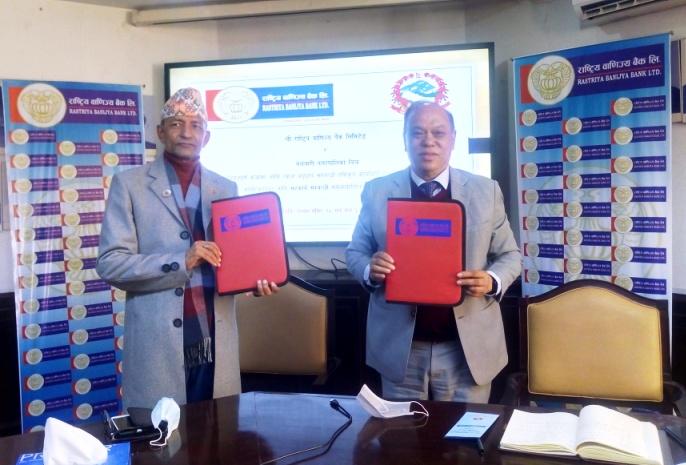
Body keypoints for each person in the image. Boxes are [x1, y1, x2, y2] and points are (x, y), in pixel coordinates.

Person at [96, 87, 279, 410]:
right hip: (157, 344)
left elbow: (232, 258)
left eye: (196, 125)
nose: (186, 133)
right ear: (160, 132)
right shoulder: (129, 184)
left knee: (217, 431)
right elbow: (111, 263)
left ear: (206, 137)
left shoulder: (226, 187)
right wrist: (181, 260)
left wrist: (250, 279)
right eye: (176, 124)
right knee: (161, 437)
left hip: (215, 338)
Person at [345, 100, 522, 403]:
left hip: (468, 349)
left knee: (465, 434)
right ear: (405, 140)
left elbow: (511, 256)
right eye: (417, 133)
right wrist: (368, 269)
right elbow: (355, 252)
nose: (428, 141)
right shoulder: (376, 191)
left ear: (453, 139)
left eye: (438, 133)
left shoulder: (486, 190)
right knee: (403, 432)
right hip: (401, 349)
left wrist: (492, 279)